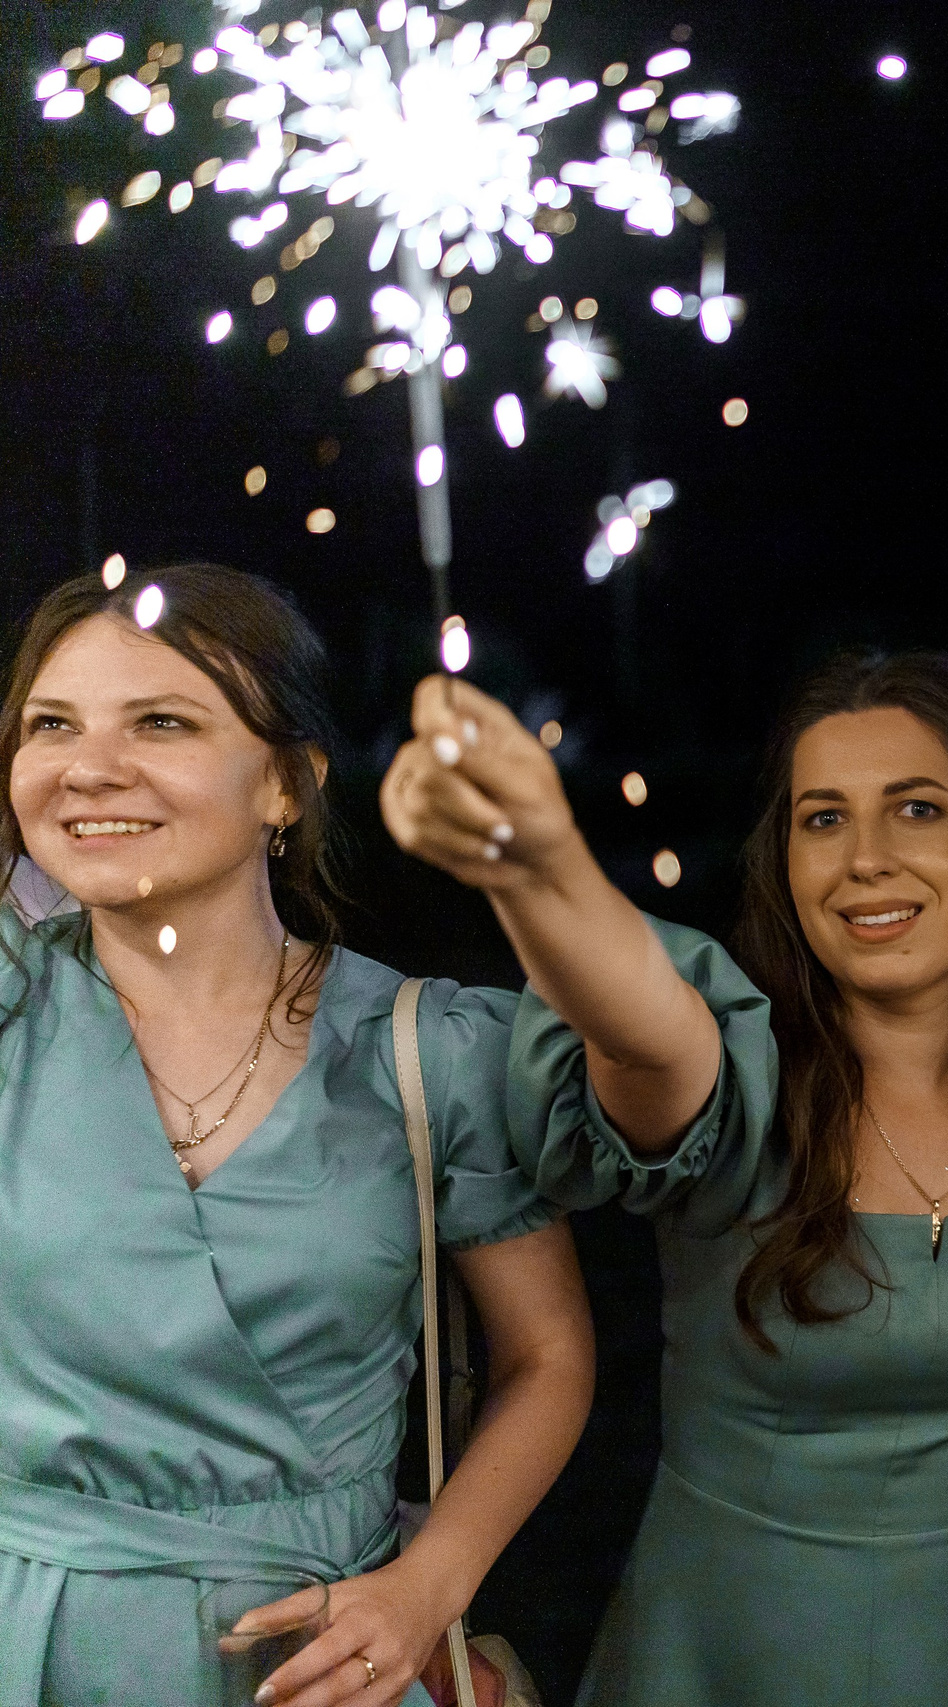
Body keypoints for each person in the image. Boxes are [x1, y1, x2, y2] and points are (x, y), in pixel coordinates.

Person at [381, 651, 948, 1706]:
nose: (865, 859)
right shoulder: (744, 1082)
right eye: (823, 819)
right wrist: (541, 869)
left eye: (916, 809)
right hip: (723, 1662)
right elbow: (643, 1033)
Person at [0, 565, 594, 1707]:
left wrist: (429, 1583)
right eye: (51, 726)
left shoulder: (427, 1051)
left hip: (322, 1660)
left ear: (287, 783)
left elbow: (549, 1356)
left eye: (161, 723)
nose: (88, 768)